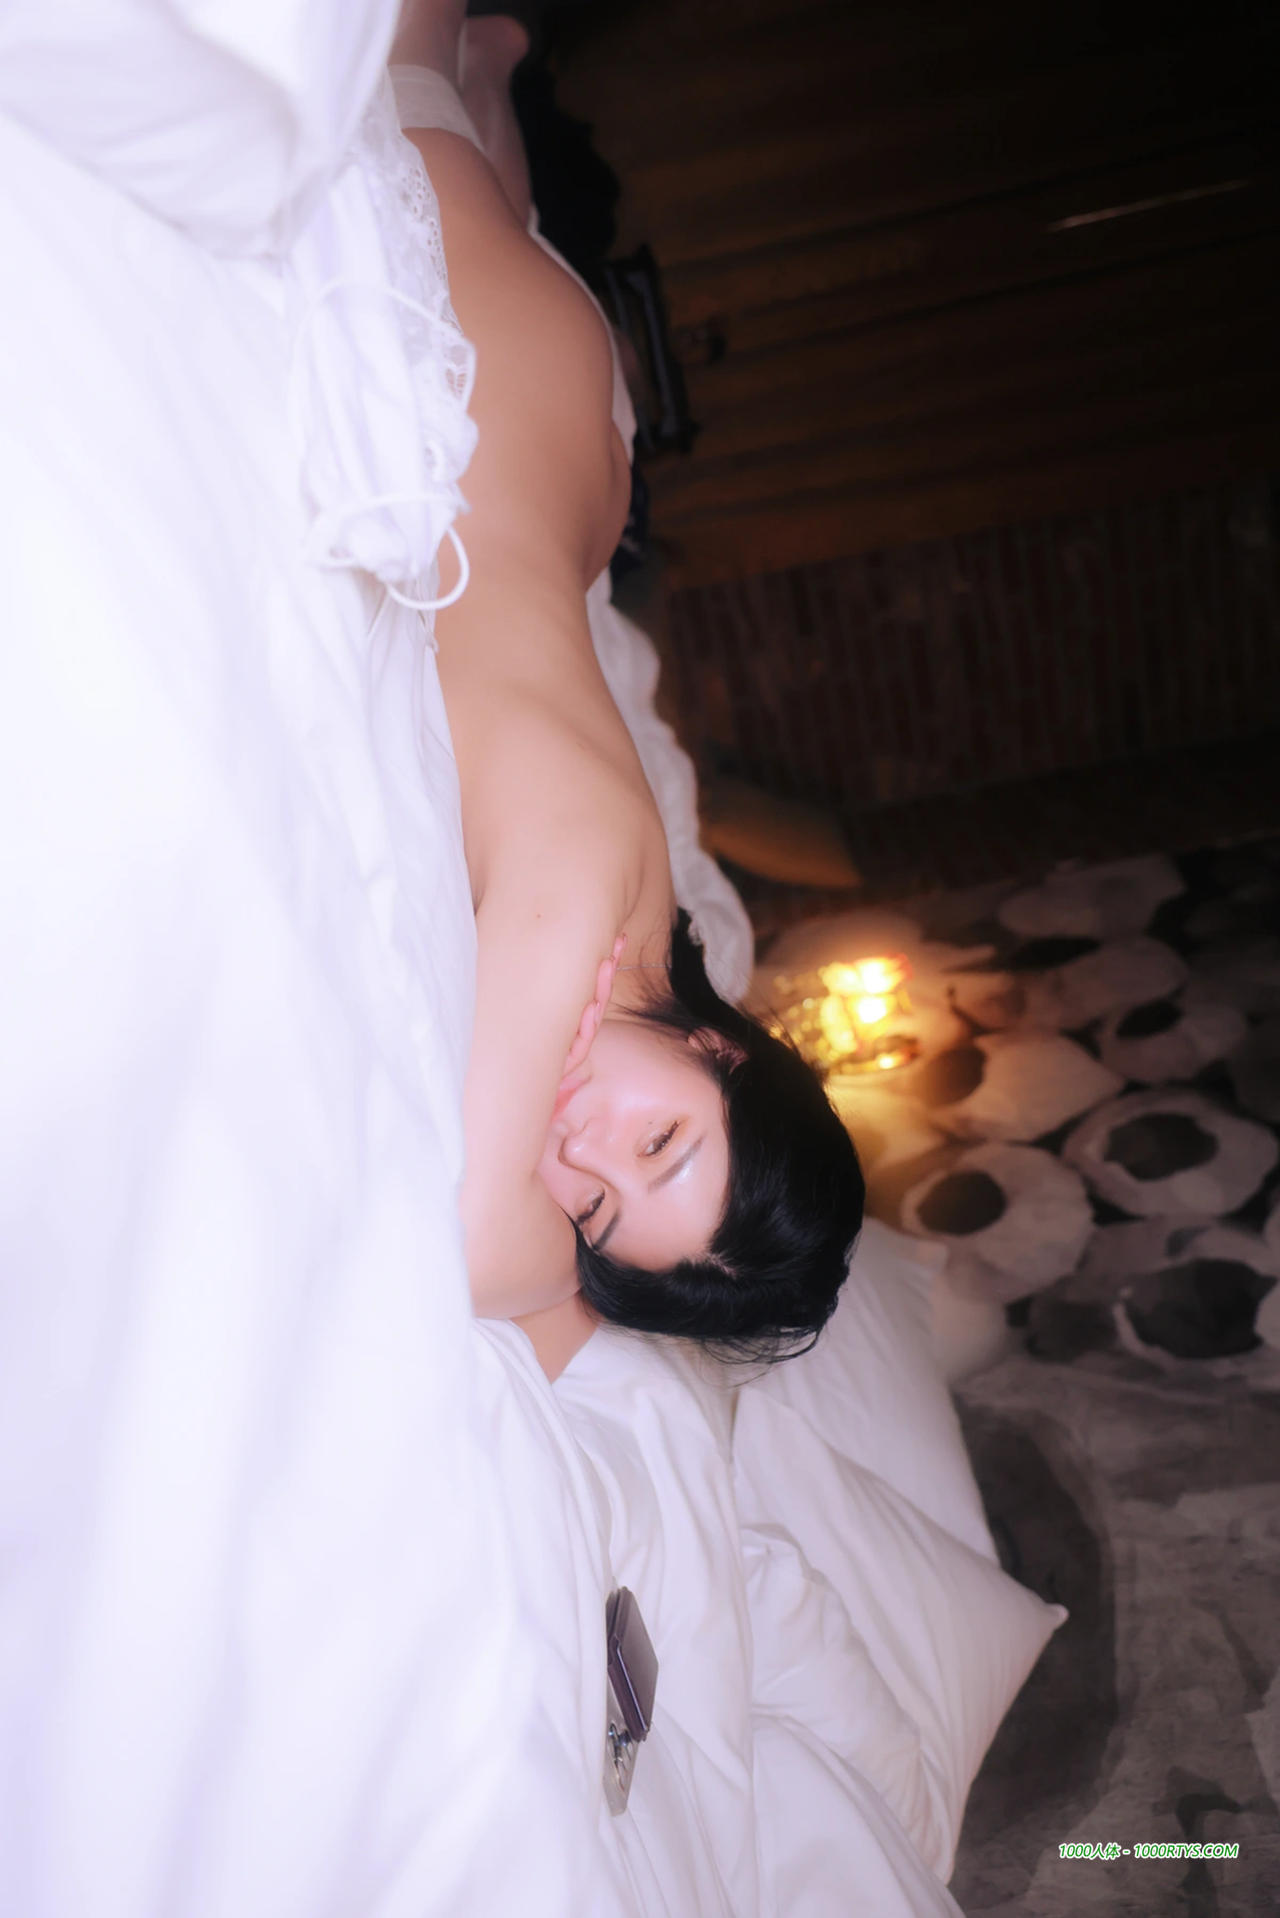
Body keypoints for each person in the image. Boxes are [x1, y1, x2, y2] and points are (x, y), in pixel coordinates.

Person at [391, 0, 864, 1377]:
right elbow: (471, 1245)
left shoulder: (645, 968)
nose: (583, 1147)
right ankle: (457, 69)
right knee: (385, 62)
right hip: (478, 352)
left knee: (459, 103)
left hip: (572, 457)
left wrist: (596, 1259)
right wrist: (563, 1273)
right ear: (726, 1057)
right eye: (662, 1142)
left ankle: (491, 75)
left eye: (596, 1205)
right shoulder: (578, 903)